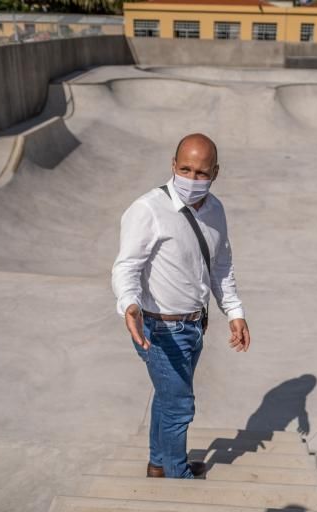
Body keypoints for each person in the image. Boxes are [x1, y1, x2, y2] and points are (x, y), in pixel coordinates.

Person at [111, 133, 251, 479]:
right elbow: (126, 266)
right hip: (158, 329)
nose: (192, 179)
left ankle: (159, 463)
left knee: (167, 397)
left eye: (201, 173)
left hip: (193, 325)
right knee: (179, 406)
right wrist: (129, 304)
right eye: (185, 169)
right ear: (173, 166)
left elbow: (220, 265)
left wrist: (234, 312)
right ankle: (177, 476)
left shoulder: (216, 210)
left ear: (215, 172)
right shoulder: (147, 210)